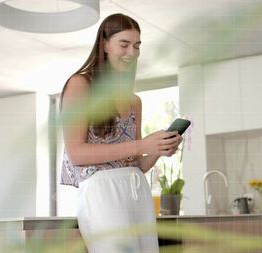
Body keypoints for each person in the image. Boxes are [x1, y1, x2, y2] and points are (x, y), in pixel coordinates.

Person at [59, 13, 181, 253]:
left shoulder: (134, 101)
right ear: (104, 45)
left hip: (137, 193)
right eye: (123, 44)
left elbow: (135, 164)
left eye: (137, 46)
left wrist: (157, 150)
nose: (132, 52)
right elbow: (76, 153)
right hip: (101, 194)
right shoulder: (80, 85)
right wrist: (142, 145)